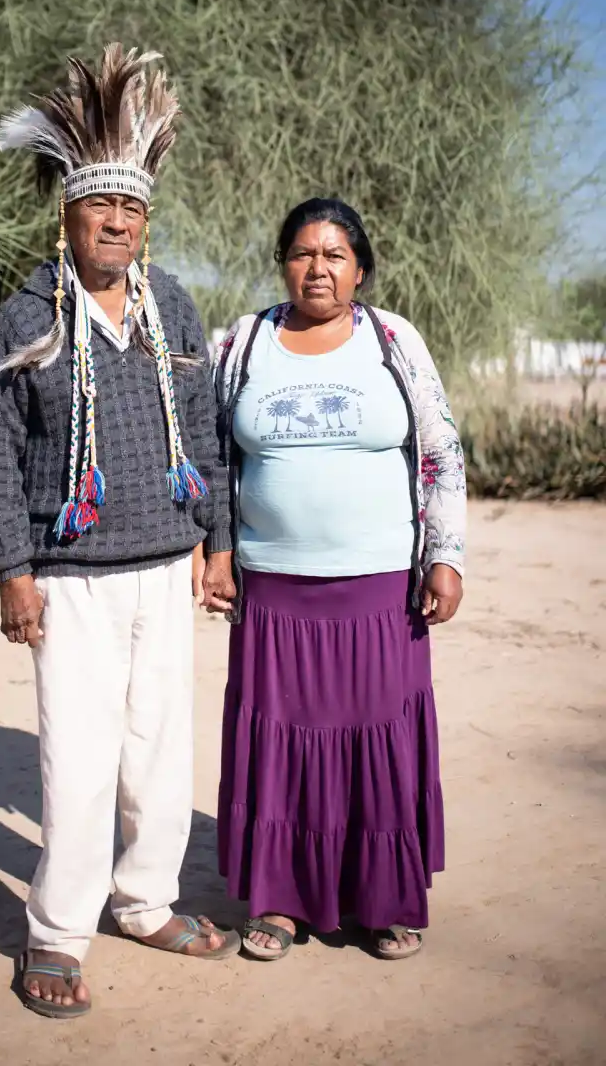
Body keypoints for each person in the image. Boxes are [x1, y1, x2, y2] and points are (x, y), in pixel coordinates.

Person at [0, 44, 238, 1019]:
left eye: (130, 208)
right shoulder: (27, 317)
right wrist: (12, 569)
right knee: (76, 762)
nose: (116, 221)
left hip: (166, 567)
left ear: (144, 221)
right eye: (98, 207)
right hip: (70, 576)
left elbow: (203, 433)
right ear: (68, 213)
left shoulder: (171, 305)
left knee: (160, 750)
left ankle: (145, 901)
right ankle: (53, 935)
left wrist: (215, 541)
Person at [202, 197, 466, 962]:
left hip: (381, 589)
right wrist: (217, 551)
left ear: (360, 268)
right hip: (273, 591)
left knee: (377, 738)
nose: (317, 267)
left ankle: (384, 902)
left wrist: (446, 555)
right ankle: (280, 904)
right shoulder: (245, 342)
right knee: (281, 743)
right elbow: (217, 457)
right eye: (302, 252)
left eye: (335, 254)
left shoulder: (392, 340)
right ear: (283, 262)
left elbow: (440, 449)